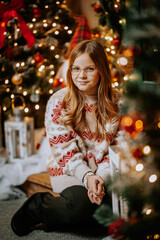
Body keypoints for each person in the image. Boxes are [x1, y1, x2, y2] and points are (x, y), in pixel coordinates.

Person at [11, 40, 122, 236]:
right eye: (76, 68)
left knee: (112, 214)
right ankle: (37, 206)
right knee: (81, 208)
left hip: (104, 173)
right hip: (70, 170)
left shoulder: (118, 102)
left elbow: (115, 147)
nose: (81, 75)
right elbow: (63, 151)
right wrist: (88, 177)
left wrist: (100, 179)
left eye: (89, 69)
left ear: (101, 70)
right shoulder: (59, 101)